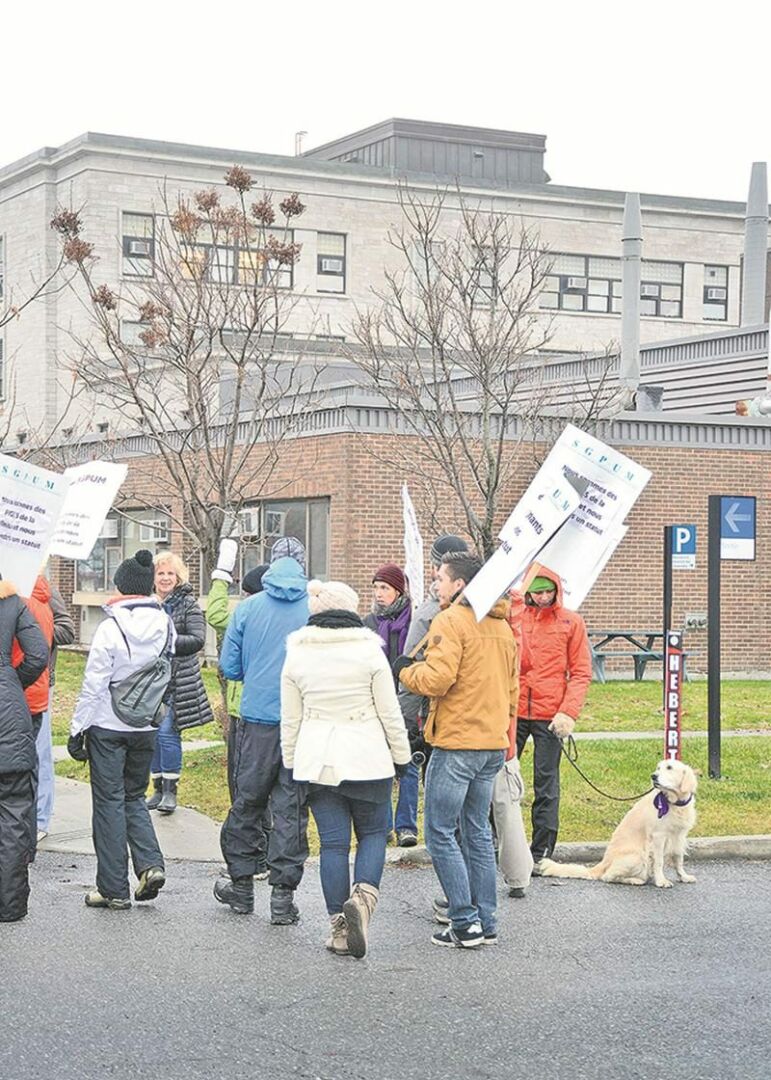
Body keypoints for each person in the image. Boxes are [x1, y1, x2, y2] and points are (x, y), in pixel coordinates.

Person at [281, 579, 411, 959]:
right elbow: (390, 712)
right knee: (373, 834)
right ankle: (364, 901)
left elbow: (291, 718)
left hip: (317, 759)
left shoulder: (297, 654)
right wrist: (401, 757)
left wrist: (291, 763)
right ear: (352, 611)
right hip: (368, 755)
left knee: (333, 846)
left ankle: (339, 927)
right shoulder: (370, 652)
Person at [397, 551, 517, 948]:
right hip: (490, 744)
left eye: (440, 579)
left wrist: (404, 670)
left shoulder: (451, 621)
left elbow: (437, 678)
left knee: (440, 832)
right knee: (478, 832)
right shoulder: (504, 628)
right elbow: (513, 690)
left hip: (457, 743)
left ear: (461, 585)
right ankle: (486, 919)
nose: (435, 585)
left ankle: (464, 921)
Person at [68, 549, 173, 909]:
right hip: (145, 726)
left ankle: (112, 888)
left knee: (109, 803)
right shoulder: (166, 624)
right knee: (133, 797)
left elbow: (94, 684)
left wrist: (77, 728)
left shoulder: (110, 628)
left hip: (107, 727)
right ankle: (150, 865)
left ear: (120, 588)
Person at [214, 541, 310, 924]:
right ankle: (283, 899)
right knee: (291, 809)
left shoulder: (248, 609)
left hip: (256, 720)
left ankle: (241, 889)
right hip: (300, 721)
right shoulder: (314, 608)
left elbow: (230, 667)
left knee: (248, 801)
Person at [516, 570, 592, 871]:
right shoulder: (516, 617)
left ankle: (541, 851)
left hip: (551, 714)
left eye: (548, 592)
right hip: (516, 710)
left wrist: (568, 712)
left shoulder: (571, 622)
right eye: (538, 592)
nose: (543, 597)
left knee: (546, 784)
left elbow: (581, 671)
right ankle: (497, 841)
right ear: (528, 591)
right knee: (501, 781)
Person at [206, 536, 271, 876]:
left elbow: (215, 612)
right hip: (277, 713)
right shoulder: (285, 617)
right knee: (274, 787)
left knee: (244, 785)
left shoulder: (246, 616)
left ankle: (253, 856)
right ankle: (271, 854)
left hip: (244, 711)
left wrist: (221, 572)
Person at [147, 552, 213, 814]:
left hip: (177, 681)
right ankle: (156, 787)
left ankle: (170, 791)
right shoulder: (146, 604)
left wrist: (168, 640)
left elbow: (197, 639)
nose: (165, 578)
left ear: (178, 577)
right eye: (160, 573)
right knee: (151, 735)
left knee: (166, 733)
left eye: (170, 574)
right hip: (150, 682)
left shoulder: (187, 604)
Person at [0, 578, 49, 922]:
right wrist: (11, 682)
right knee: (14, 812)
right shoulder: (12, 602)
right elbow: (38, 654)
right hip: (10, 718)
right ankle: (10, 905)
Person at [398, 534, 469, 767]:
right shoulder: (492, 613)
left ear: (436, 569)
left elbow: (414, 669)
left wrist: (404, 723)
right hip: (485, 725)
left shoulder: (428, 615)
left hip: (441, 721)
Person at [363, 562, 416, 847]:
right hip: (377, 702)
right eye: (376, 588)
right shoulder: (370, 624)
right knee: (381, 765)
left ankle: (406, 826)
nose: (379, 594)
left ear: (398, 590)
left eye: (384, 588)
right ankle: (383, 825)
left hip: (406, 701)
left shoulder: (412, 621)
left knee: (407, 763)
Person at [12, 576, 55, 849]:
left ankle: (26, 828)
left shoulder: (20, 603)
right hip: (35, 694)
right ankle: (34, 824)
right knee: (33, 762)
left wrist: (13, 682)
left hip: (21, 695)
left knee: (19, 770)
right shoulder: (41, 600)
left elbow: (33, 654)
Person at [35, 583, 75, 841]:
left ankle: (40, 818)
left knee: (40, 750)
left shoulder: (45, 588)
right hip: (8, 680)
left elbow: (67, 631)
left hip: (39, 682)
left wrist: (34, 630)